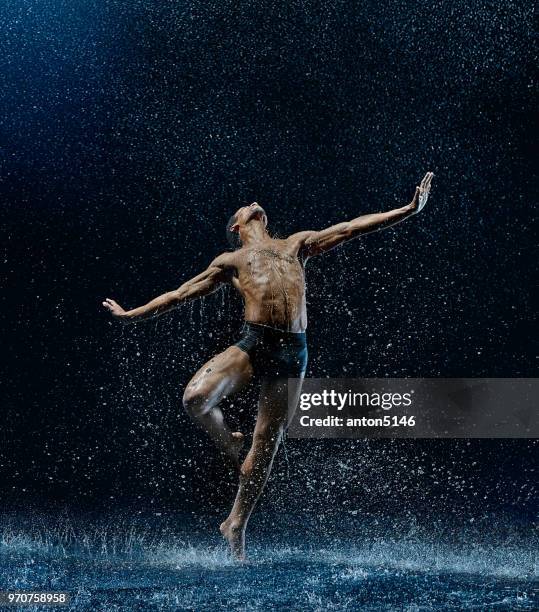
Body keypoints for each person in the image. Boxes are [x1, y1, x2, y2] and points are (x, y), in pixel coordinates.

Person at [102, 172, 434, 559]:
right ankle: (226, 438)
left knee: (266, 446)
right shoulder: (230, 260)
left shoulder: (295, 244)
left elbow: (348, 229)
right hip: (254, 342)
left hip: (293, 352)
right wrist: (130, 315)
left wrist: (408, 210)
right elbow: (180, 293)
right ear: (237, 226)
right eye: (244, 207)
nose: (252, 201)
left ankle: (236, 523)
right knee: (195, 398)